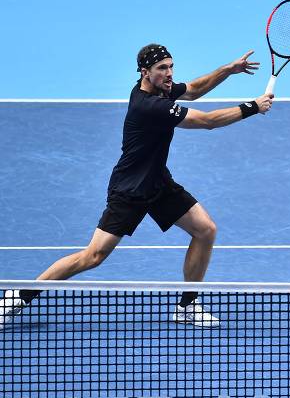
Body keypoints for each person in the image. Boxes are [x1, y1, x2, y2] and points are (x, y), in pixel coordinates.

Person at [0, 44, 273, 329]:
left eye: (171, 67)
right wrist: (252, 107)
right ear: (145, 72)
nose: (169, 74)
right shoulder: (150, 106)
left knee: (205, 230)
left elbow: (193, 88)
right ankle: (16, 297)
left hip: (157, 182)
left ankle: (188, 305)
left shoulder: (160, 90)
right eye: (162, 69)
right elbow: (206, 122)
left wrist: (228, 70)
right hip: (130, 190)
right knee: (92, 257)